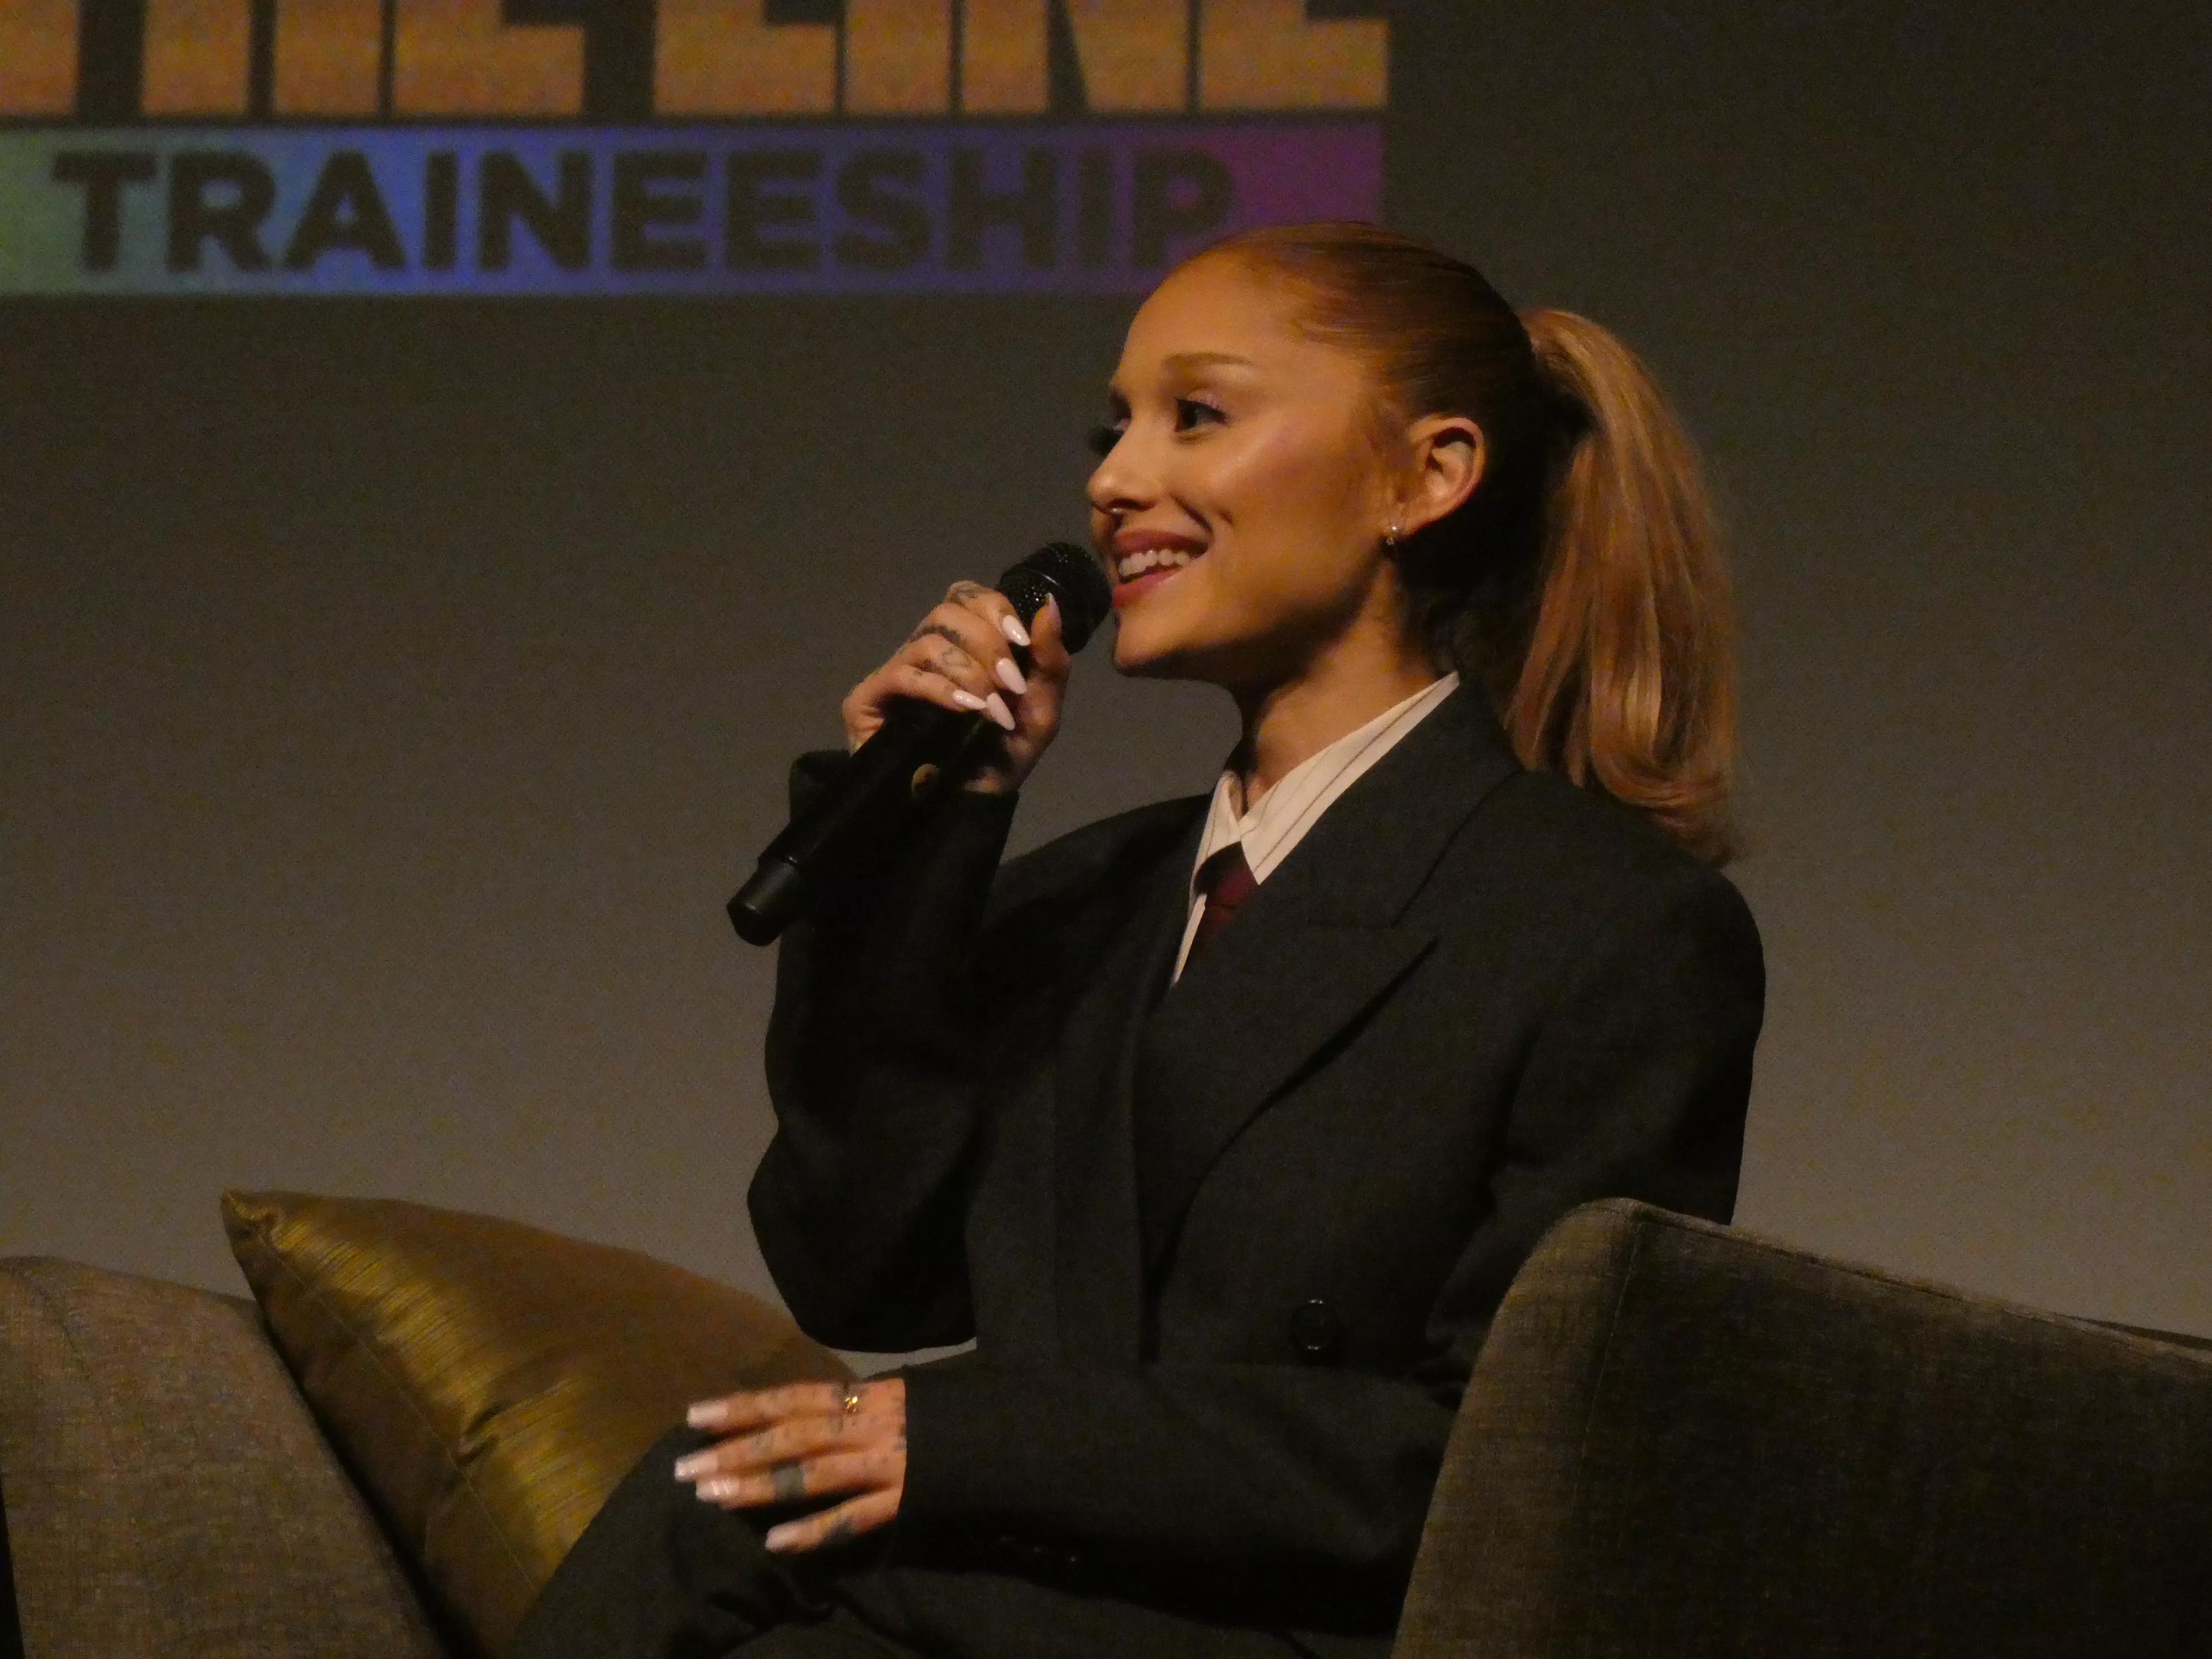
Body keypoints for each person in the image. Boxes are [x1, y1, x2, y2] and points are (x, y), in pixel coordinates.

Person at [510, 221, 1764, 1659]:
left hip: (1306, 1626)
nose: (1114, 482)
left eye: (1198, 416)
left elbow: (1506, 1460)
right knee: (728, 1514)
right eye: (1112, 432)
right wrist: (921, 839)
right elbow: (863, 1269)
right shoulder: (1094, 898)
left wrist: (968, 1438)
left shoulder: (1605, 928)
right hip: (1041, 1602)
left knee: (730, 1516)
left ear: (1426, 476)